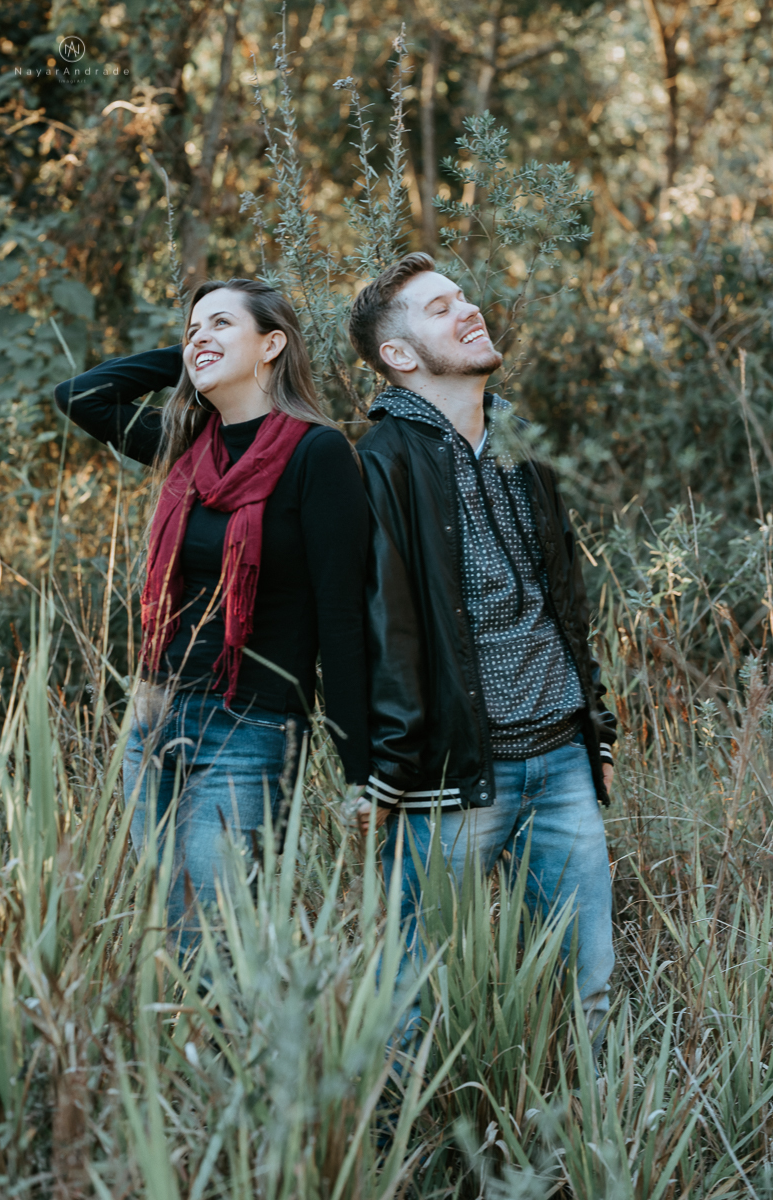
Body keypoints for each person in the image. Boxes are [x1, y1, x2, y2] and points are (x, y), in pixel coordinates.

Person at [349, 253, 617, 1047]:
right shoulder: (379, 464)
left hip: (562, 762)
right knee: (411, 998)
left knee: (588, 992)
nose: (467, 310)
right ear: (398, 356)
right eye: (439, 308)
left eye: (462, 297)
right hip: (449, 779)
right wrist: (388, 771)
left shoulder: (519, 442)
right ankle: (412, 1160)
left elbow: (563, 601)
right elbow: (381, 630)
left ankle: (586, 1152)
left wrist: (592, 726)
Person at [55, 277, 369, 945]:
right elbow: (80, 396)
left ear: (272, 344)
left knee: (223, 938)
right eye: (193, 326)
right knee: (167, 930)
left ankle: (248, 1051)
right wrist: (197, 354)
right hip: (153, 719)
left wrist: (359, 768)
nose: (200, 335)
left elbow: (341, 616)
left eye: (222, 324)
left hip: (249, 727)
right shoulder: (184, 446)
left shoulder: (318, 453)